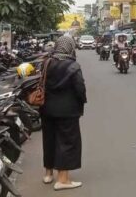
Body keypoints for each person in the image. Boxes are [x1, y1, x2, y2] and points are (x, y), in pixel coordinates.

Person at [41, 36, 86, 191]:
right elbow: (80, 88)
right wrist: (82, 101)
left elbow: (41, 82)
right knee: (67, 142)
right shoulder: (73, 66)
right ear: (70, 47)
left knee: (49, 140)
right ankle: (63, 180)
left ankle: (48, 173)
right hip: (67, 110)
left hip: (46, 109)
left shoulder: (47, 62)